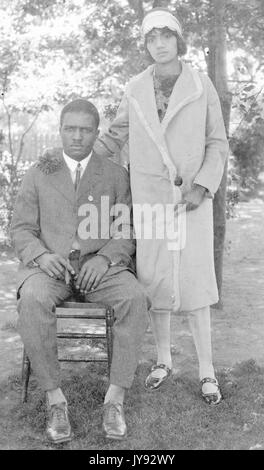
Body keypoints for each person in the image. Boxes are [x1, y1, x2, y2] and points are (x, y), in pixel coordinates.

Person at [94, 8, 229, 404]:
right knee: (155, 280)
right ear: (146, 45)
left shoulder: (201, 85)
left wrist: (202, 187)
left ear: (178, 40)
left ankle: (207, 371)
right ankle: (164, 360)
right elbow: (115, 135)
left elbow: (217, 144)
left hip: (191, 200)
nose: (159, 44)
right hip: (151, 200)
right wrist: (77, 160)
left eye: (165, 36)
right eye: (151, 38)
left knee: (195, 282)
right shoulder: (135, 87)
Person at [10, 99, 149, 443]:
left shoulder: (116, 174)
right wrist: (41, 256)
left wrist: (105, 259)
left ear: (96, 133)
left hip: (99, 267)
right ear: (60, 130)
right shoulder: (39, 171)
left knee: (134, 297)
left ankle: (114, 399)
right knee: (32, 298)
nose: (76, 136)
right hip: (52, 268)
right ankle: (55, 399)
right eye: (69, 129)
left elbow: (126, 230)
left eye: (85, 130)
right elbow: (21, 229)